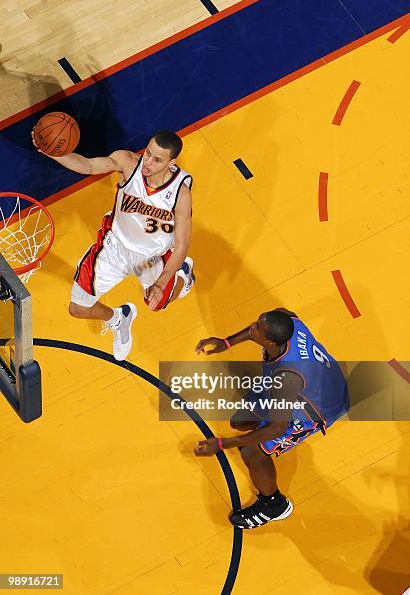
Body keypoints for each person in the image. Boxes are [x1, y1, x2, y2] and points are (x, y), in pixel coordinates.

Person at [33, 130, 194, 361]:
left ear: (172, 163)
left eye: (157, 159)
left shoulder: (180, 193)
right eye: (148, 153)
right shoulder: (128, 163)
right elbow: (87, 166)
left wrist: (161, 282)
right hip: (114, 248)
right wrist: (52, 151)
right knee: (77, 309)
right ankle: (119, 318)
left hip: (152, 257)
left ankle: (184, 276)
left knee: (156, 303)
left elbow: (182, 245)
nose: (148, 162)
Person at [194, 308, 349, 529]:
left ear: (268, 342)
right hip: (313, 381)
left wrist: (224, 443)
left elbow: (278, 427)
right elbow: (283, 313)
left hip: (316, 409)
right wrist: (227, 343)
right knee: (240, 421)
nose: (252, 327)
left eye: (257, 328)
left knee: (251, 452)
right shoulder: (288, 323)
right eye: (257, 322)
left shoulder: (287, 377)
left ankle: (273, 505)